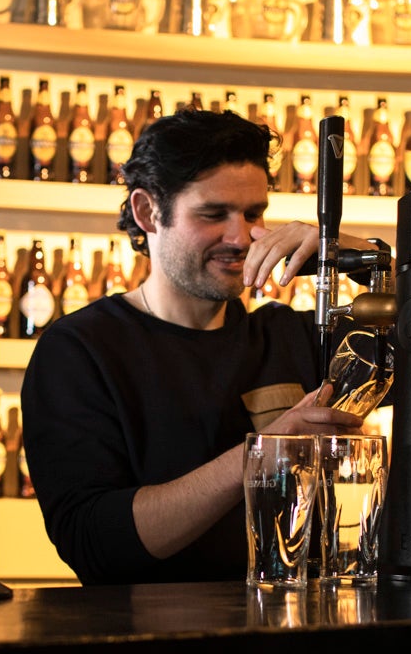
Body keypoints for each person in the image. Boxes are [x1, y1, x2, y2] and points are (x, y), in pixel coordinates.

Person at [20, 108, 362, 584]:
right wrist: (264, 451)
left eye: (253, 213)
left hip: (293, 643)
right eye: (213, 214)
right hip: (151, 651)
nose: (241, 237)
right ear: (147, 212)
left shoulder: (293, 335)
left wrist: (352, 253)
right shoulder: (80, 351)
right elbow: (94, 543)